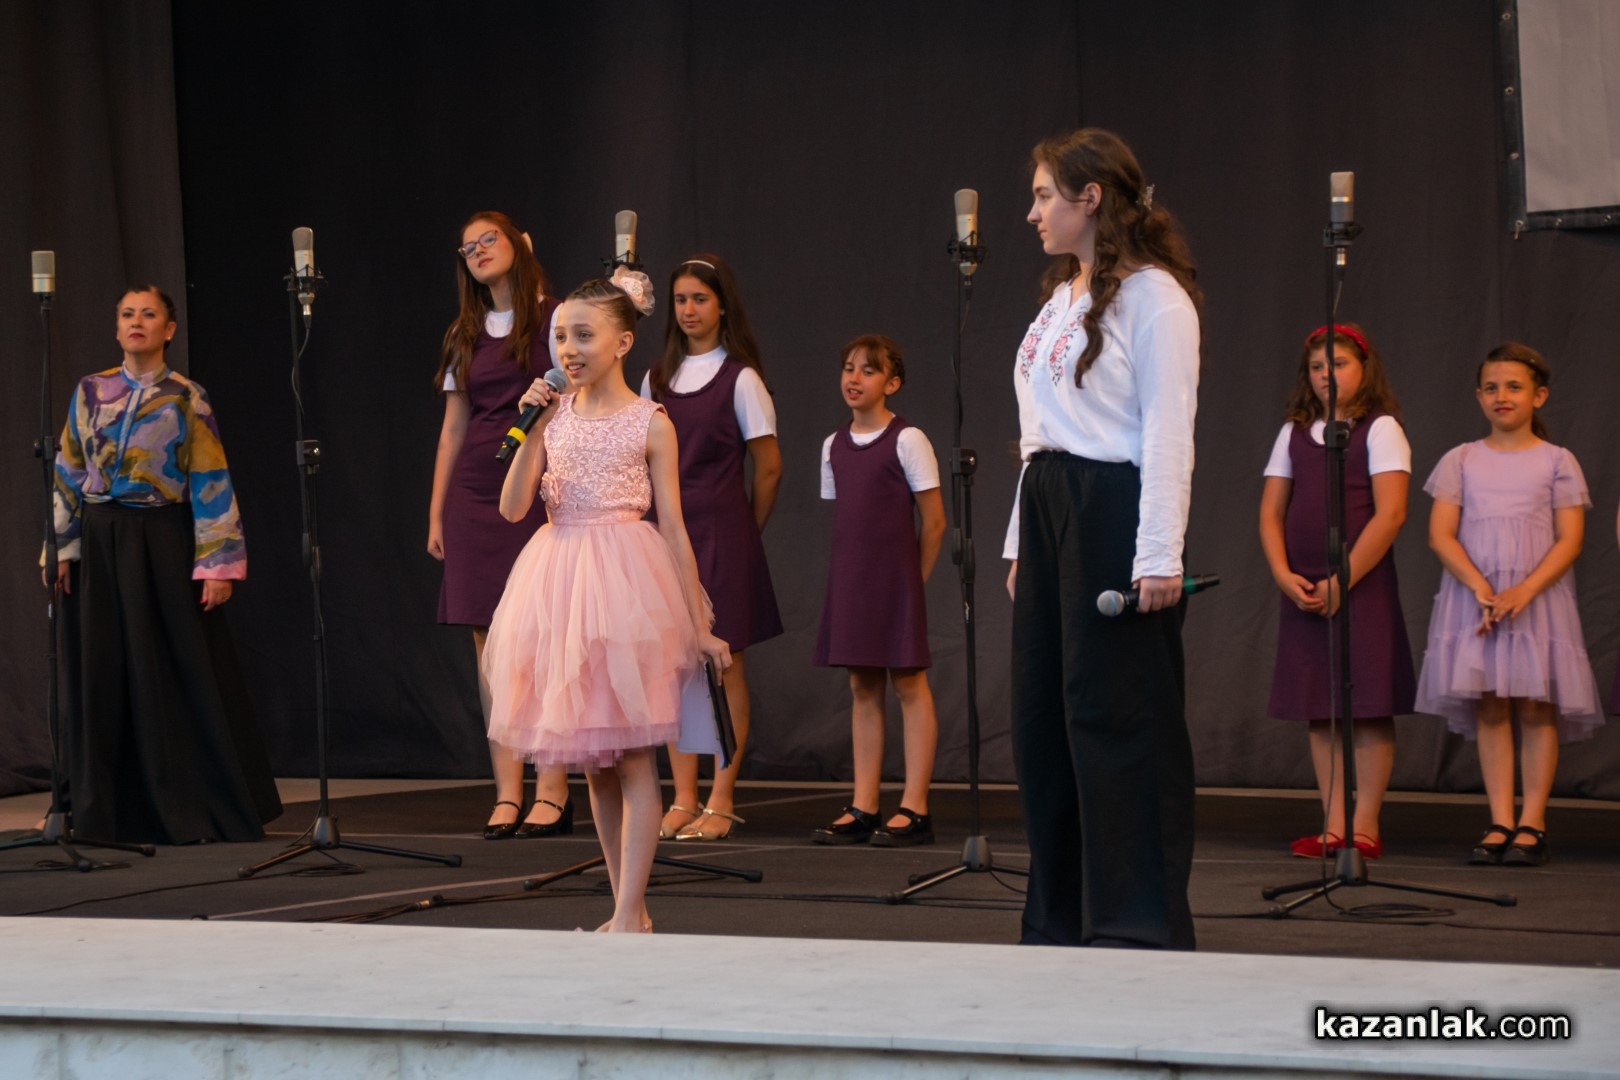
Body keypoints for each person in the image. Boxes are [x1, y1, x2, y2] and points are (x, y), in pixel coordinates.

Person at [483, 271, 731, 932]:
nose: (569, 348)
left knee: (632, 757)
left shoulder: (650, 423)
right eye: (561, 336)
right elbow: (511, 508)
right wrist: (533, 425)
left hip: (626, 587)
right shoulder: (553, 416)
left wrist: (698, 622)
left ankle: (627, 913)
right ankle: (629, 910)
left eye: (584, 335)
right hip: (559, 584)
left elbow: (674, 528)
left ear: (622, 342)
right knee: (593, 765)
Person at [1003, 128, 1201, 949]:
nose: (1032, 213)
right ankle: (1058, 921)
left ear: (1091, 199)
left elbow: (1167, 432)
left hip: (1113, 510)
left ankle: (1135, 925)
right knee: (1045, 721)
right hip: (1051, 510)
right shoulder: (1062, 298)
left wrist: (1157, 554)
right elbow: (1037, 434)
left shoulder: (1155, 299)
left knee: (1118, 720)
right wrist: (1022, 542)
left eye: (1044, 196)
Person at [43, 286, 280, 844]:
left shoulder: (187, 398)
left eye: (148, 314)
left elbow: (211, 480)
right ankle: (97, 808)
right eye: (127, 314)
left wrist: (217, 564)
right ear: (116, 326)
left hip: (160, 541)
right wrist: (61, 547)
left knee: (168, 669)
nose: (137, 322)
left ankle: (183, 803)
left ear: (168, 329)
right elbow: (68, 469)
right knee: (100, 671)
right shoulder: (90, 390)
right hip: (99, 542)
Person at [1415, 343, 1603, 867]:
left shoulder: (1557, 461)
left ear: (1539, 396)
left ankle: (1532, 822)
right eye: (1492, 387)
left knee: (1536, 708)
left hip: (1536, 600)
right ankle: (1500, 819)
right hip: (1476, 598)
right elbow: (1440, 534)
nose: (1502, 396)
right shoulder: (1461, 459)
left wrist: (1524, 590)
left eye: (1514, 387)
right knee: (1492, 706)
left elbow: (1570, 540)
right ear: (1479, 396)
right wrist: (1481, 587)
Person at [429, 210, 572, 840]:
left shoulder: (555, 317)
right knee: (490, 646)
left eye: (489, 240)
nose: (479, 251)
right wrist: (436, 510)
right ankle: (508, 790)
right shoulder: (464, 332)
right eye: (468, 248)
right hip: (475, 490)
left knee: (543, 636)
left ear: (518, 244)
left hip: (539, 483)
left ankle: (554, 788)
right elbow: (454, 426)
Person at [1259, 323, 1415, 860]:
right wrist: (1283, 574)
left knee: (1366, 705)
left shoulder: (1381, 428)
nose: (1327, 375)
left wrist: (1343, 579)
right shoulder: (1294, 433)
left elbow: (1391, 513)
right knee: (1321, 707)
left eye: (1339, 364)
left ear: (1364, 369)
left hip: (1360, 585)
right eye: (1317, 367)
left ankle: (1364, 825)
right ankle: (1332, 822)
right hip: (1305, 587)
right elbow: (1271, 512)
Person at [640, 254, 782, 841]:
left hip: (722, 532)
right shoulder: (656, 379)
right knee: (671, 665)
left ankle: (721, 797)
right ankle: (682, 796)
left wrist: (745, 530)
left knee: (723, 665)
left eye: (700, 298)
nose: (689, 309)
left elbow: (769, 468)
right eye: (680, 299)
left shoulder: (741, 379)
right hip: (664, 534)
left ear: (723, 305)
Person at [810, 335, 946, 846]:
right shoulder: (833, 445)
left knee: (908, 684)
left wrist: (912, 582)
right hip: (853, 582)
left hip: (896, 584)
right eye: (849, 368)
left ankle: (915, 806)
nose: (854, 378)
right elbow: (849, 520)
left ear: (892, 383)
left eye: (869, 370)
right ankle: (864, 804)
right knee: (862, 686)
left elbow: (934, 522)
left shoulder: (908, 439)